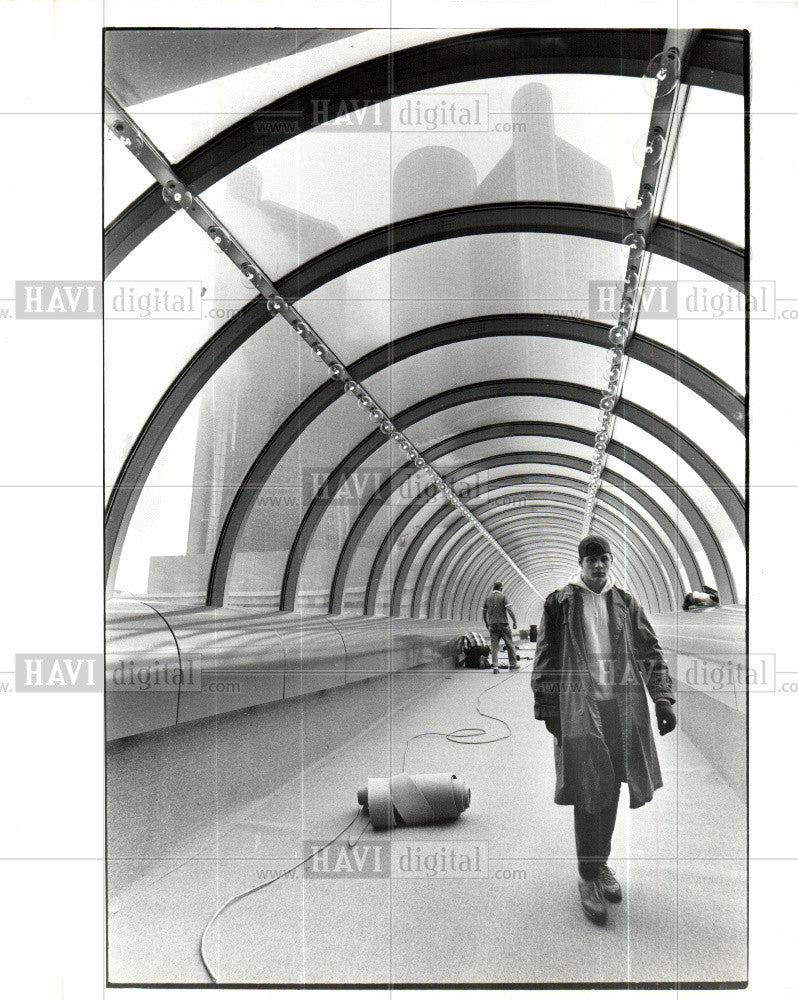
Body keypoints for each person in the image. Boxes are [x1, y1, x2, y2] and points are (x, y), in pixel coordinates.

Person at [531, 535, 677, 924]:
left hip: (620, 709)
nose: (598, 565)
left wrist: (663, 698)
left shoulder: (626, 603)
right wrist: (547, 706)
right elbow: (546, 654)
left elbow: (650, 650)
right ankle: (587, 875)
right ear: (580, 563)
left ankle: (601, 864)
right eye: (591, 559)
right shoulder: (559, 603)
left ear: (610, 561)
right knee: (586, 787)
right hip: (579, 708)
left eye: (604, 558)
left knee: (611, 787)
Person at [482, 582, 518, 674]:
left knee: (494, 646)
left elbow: (484, 612)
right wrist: (514, 621)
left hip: (492, 625)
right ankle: (513, 665)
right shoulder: (503, 597)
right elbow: (509, 610)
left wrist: (487, 623)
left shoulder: (487, 598)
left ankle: (495, 667)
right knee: (509, 644)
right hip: (503, 624)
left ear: (493, 588)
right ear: (501, 588)